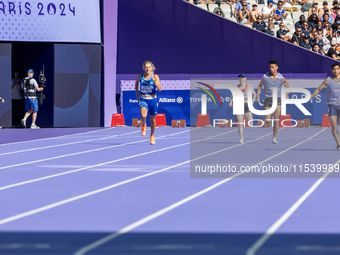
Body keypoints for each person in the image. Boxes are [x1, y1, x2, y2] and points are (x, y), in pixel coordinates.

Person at [256, 60, 290, 144]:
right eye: (270, 67)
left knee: (276, 119)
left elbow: (288, 87)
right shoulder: (265, 77)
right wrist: (257, 95)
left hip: (277, 99)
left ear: (277, 67)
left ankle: (274, 137)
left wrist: (286, 95)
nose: (271, 69)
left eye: (272, 67)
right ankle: (269, 115)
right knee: (267, 120)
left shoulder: (281, 78)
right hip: (268, 99)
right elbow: (259, 86)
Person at [310, 63, 340, 150]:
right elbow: (319, 88)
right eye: (334, 69)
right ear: (331, 70)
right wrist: (312, 95)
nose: (336, 71)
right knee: (334, 125)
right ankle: (338, 144)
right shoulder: (328, 80)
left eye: (337, 69)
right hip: (332, 105)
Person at [135, 61, 162, 145]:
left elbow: (160, 89)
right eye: (146, 67)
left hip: (153, 100)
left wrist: (155, 82)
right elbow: (136, 85)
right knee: (143, 115)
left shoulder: (155, 76)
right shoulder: (140, 76)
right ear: (144, 68)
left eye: (149, 67)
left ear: (152, 68)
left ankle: (152, 135)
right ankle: (144, 125)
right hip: (143, 99)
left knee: (153, 120)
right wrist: (137, 95)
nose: (147, 69)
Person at [228, 73, 256, 144]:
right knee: (240, 123)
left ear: (245, 79)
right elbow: (232, 96)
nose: (241, 79)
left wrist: (253, 101)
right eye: (240, 78)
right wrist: (230, 102)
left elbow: (255, 94)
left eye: (243, 77)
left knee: (250, 123)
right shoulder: (236, 87)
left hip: (247, 105)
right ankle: (241, 138)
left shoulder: (249, 86)